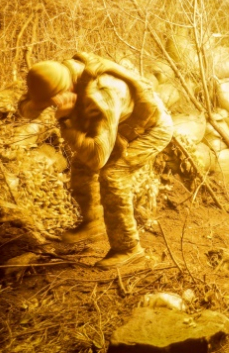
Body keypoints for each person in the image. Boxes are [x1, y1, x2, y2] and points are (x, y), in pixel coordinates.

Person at [17, 52, 173, 269]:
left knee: (113, 174)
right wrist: (38, 105)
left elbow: (99, 158)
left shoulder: (100, 95)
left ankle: (128, 249)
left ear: (64, 92)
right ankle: (93, 223)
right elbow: (27, 107)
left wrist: (66, 121)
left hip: (151, 129)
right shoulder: (59, 73)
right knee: (81, 163)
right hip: (121, 122)